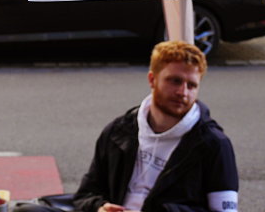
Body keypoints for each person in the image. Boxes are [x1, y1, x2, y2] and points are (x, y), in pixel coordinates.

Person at [74, 40, 238, 212]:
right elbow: (85, 195)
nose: (183, 92)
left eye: (192, 85)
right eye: (175, 81)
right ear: (152, 80)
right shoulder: (118, 131)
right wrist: (100, 208)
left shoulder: (214, 144)